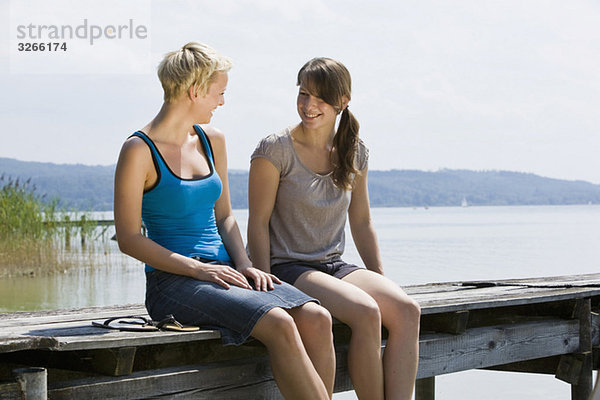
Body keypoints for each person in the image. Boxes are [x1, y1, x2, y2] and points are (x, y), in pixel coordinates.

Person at [114, 43, 335, 400]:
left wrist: (246, 264)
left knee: (317, 318)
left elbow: (225, 215)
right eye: (219, 92)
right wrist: (198, 270)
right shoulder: (138, 149)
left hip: (226, 272)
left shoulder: (211, 139)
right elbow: (127, 238)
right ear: (195, 90)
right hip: (172, 284)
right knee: (279, 322)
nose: (222, 102)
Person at [248, 57, 421, 400]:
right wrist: (268, 291)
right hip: (289, 267)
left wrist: (380, 278)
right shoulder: (274, 149)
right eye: (304, 94)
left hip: (334, 264)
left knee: (406, 310)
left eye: (321, 98)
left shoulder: (354, 152)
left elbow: (362, 221)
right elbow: (257, 223)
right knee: (366, 311)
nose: (309, 106)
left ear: (343, 102)